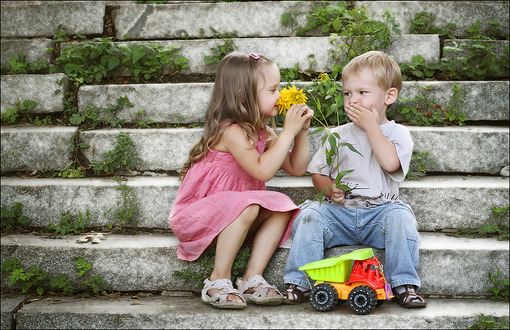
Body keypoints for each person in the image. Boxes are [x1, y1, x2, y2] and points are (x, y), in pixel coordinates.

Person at [282, 51, 427, 308]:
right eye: (348, 93)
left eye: (363, 93)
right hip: (340, 213)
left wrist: (372, 127)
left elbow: (391, 163)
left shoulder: (398, 133)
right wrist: (329, 190)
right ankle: (298, 282)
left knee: (400, 217)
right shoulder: (337, 134)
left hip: (380, 213)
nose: (353, 100)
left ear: (389, 96)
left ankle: (404, 283)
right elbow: (318, 173)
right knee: (311, 214)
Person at [169, 52, 313, 309]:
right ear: (243, 96)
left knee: (282, 205)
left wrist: (300, 133)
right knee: (246, 205)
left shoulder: (263, 131)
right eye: (273, 90)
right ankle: (217, 279)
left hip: (237, 217)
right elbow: (262, 172)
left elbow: (296, 167)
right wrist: (287, 131)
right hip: (201, 218)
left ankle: (251, 278)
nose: (280, 96)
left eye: (279, 88)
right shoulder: (230, 131)